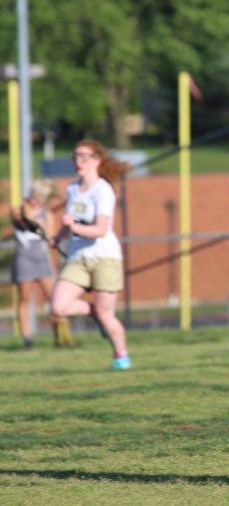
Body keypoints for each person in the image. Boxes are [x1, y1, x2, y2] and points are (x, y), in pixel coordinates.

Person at [50, 140, 132, 370]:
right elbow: (70, 222)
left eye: (84, 157)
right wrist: (58, 237)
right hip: (78, 257)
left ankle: (121, 355)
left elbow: (100, 230)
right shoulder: (72, 189)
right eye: (75, 156)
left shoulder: (103, 190)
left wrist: (73, 228)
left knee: (108, 316)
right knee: (59, 307)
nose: (79, 161)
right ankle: (96, 311)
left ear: (97, 160)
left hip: (105, 257)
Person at [9, 179, 74, 349]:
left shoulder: (48, 214)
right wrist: (35, 218)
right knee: (24, 298)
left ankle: (59, 337)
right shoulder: (18, 208)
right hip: (24, 257)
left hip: (42, 258)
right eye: (35, 195)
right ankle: (27, 340)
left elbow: (50, 235)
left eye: (41, 197)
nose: (37, 200)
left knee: (54, 299)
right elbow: (25, 221)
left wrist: (45, 227)